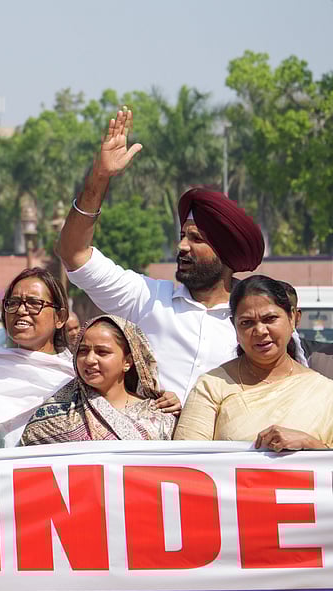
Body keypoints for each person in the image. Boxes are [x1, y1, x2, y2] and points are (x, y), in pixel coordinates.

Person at [58, 109, 264, 403]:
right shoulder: (148, 298)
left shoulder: (256, 322)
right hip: (150, 447)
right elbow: (74, 252)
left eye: (196, 239)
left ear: (226, 253)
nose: (182, 247)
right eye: (182, 236)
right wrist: (100, 177)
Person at [174, 276, 333, 449]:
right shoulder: (212, 386)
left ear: (293, 317)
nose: (260, 331)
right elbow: (185, 463)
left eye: (270, 319)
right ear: (234, 326)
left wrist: (310, 444)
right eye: (247, 323)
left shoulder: (325, 392)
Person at [21, 315, 176, 444]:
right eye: (83, 351)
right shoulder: (56, 414)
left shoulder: (160, 415)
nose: (89, 359)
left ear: (127, 361)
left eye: (102, 352)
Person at [0, 268, 77, 448]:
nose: (20, 310)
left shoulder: (77, 376)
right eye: (13, 302)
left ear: (60, 317)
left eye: (34, 303)